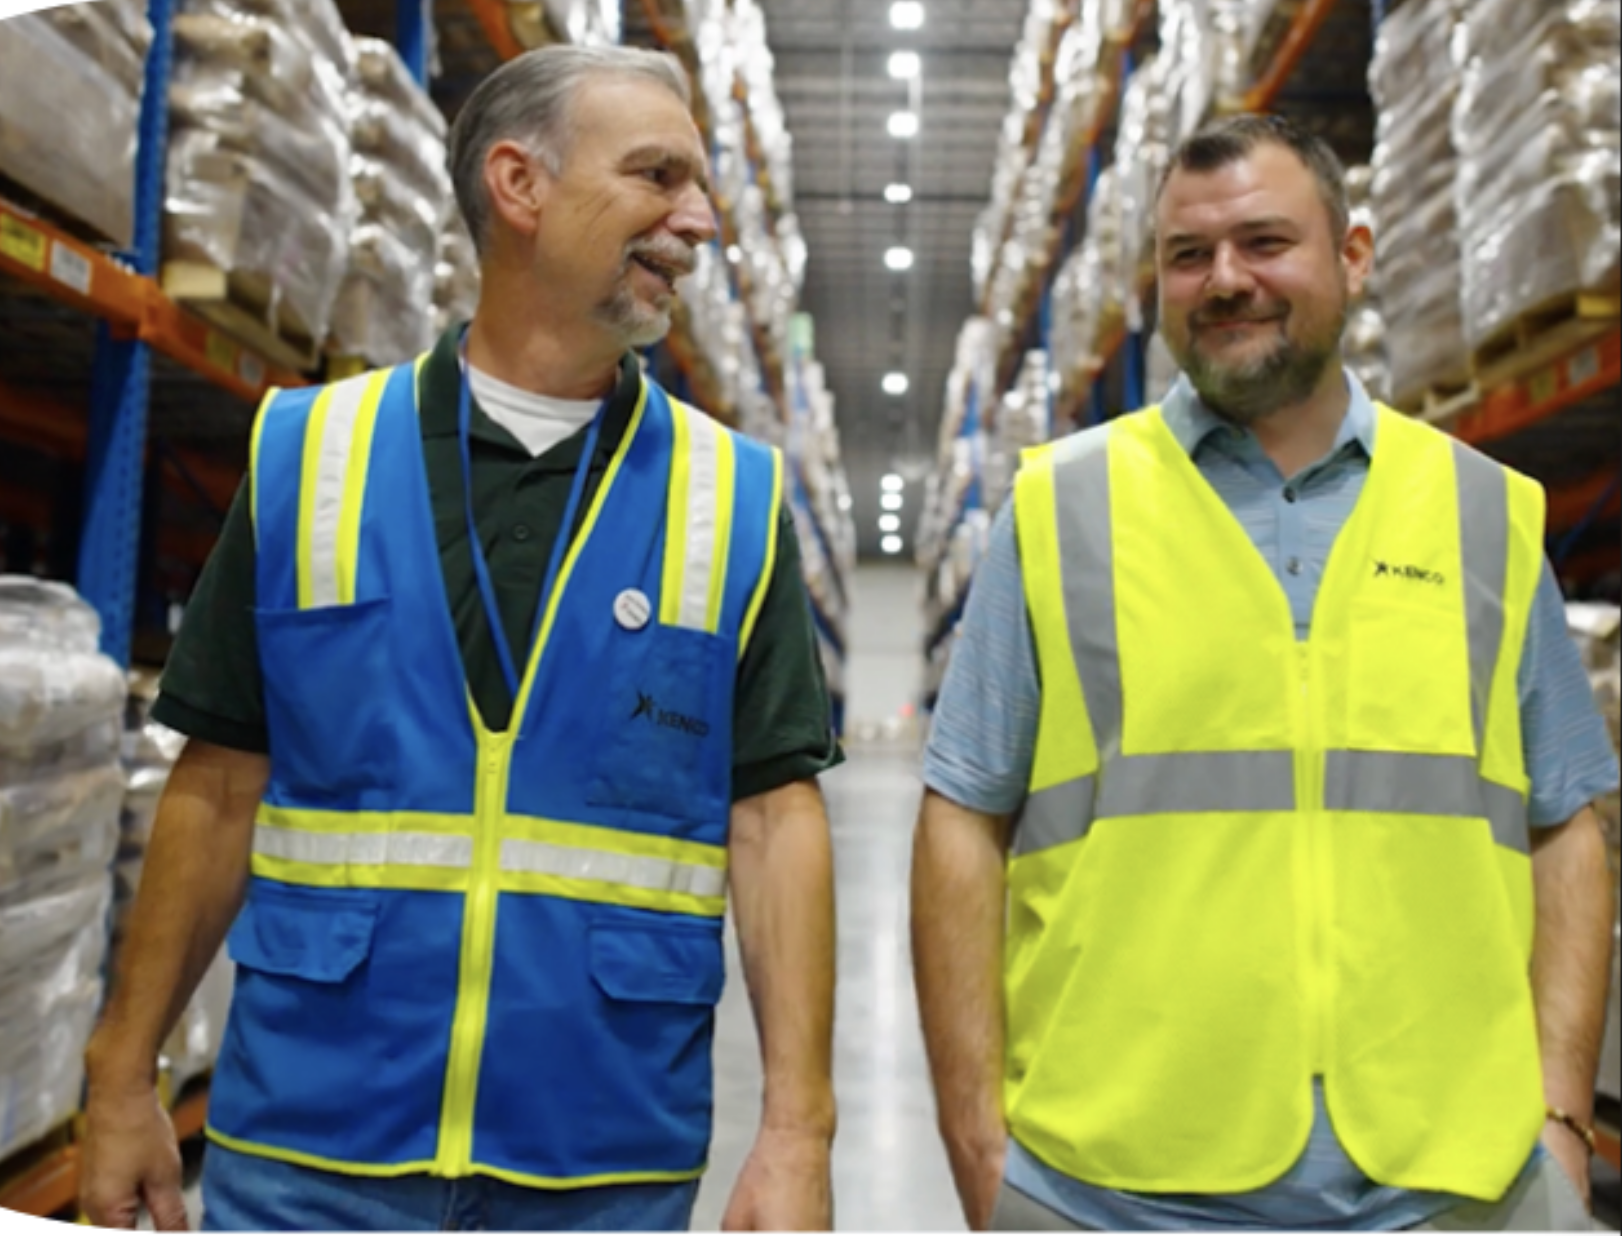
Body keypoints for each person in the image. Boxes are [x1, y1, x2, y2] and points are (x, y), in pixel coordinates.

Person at [79, 45, 840, 1233]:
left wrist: (797, 1132)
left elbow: (771, 819)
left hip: (597, 1166)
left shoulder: (728, 497)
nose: (697, 220)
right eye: (656, 176)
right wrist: (122, 1076)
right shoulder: (308, 455)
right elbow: (219, 785)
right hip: (308, 1157)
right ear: (518, 185)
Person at [910, 113, 1617, 1232]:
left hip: (1451, 1186)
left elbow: (1564, 821)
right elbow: (961, 818)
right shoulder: (1058, 510)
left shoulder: (1482, 512)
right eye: (1186, 256)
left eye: (1263, 242)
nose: (1224, 279)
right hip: (1116, 1188)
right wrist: (975, 1142)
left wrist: (1559, 1119)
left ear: (1352, 255)